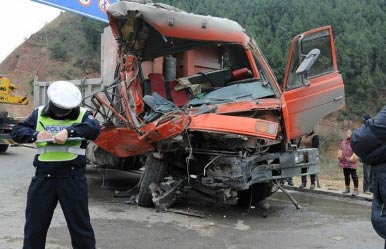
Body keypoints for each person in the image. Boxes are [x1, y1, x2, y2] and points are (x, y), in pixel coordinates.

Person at [10, 81, 100, 249]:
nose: (60, 115)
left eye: (64, 112)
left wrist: (69, 131)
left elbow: (93, 128)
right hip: (43, 178)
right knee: (34, 229)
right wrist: (35, 135)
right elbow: (17, 131)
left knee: (81, 230)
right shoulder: (38, 114)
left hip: (72, 178)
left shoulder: (83, 114)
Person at [338, 129, 359, 196]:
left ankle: (356, 190)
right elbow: (340, 150)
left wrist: (350, 159)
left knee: (354, 176)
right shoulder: (343, 142)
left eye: (350, 133)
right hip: (344, 162)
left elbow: (357, 152)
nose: (348, 134)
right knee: (346, 176)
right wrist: (340, 157)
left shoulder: (355, 142)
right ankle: (347, 188)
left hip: (352, 162)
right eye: (347, 133)